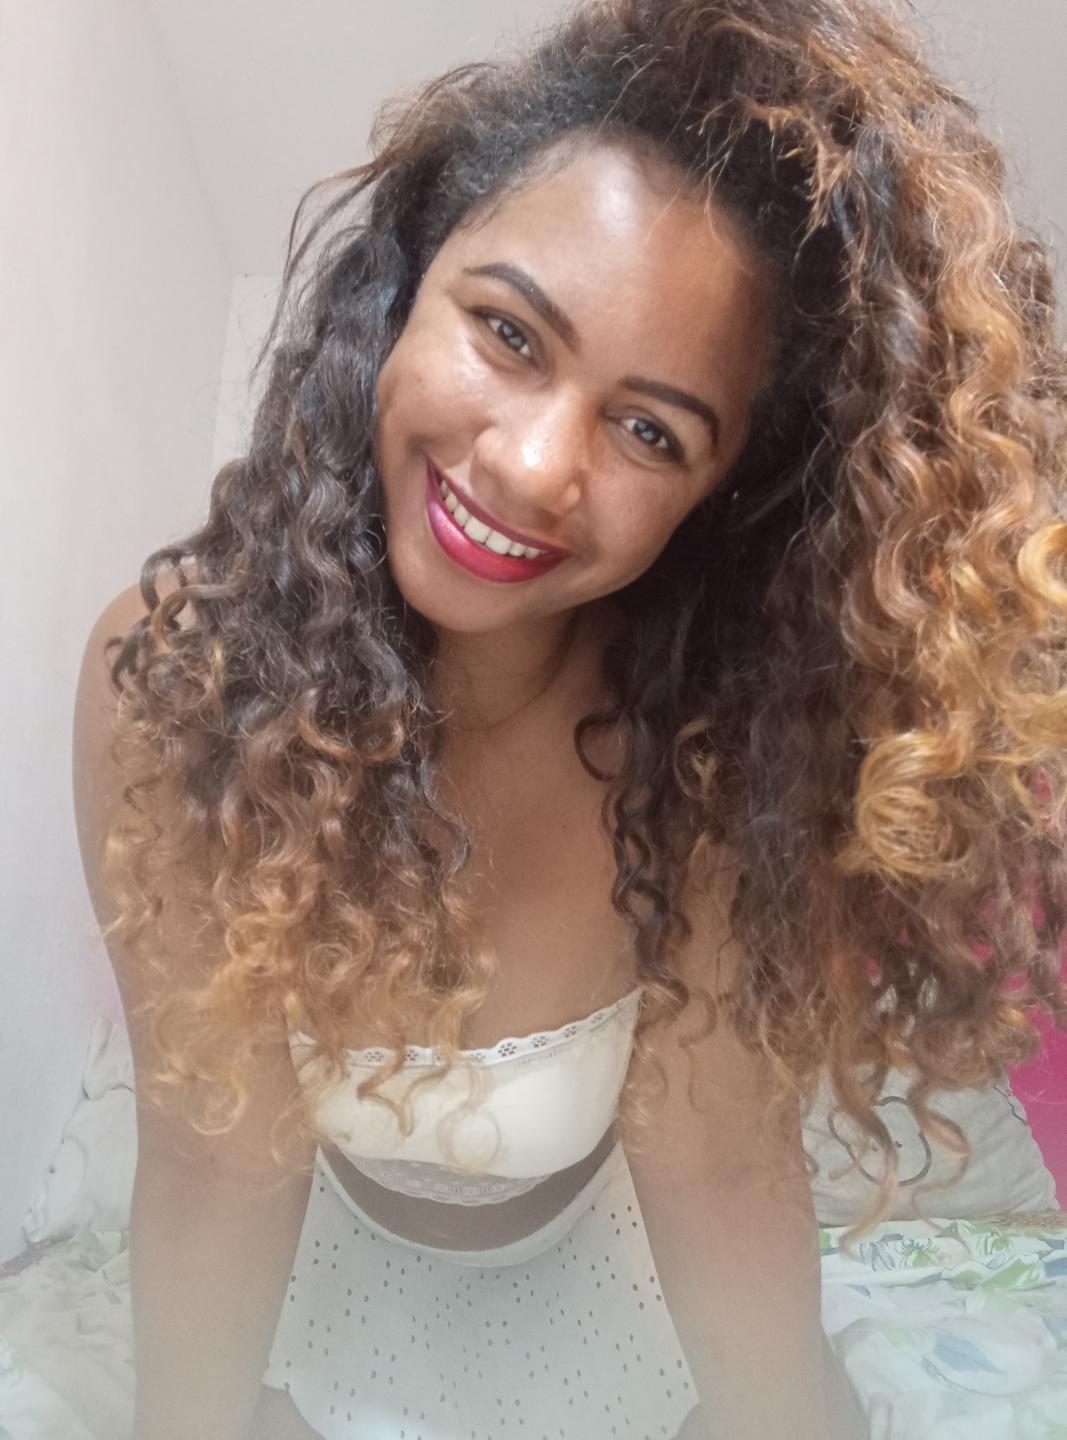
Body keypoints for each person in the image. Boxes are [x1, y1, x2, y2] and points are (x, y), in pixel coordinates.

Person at [71, 1, 1067, 1437]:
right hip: (314, 1269)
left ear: (718, 498)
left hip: (603, 1269)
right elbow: (213, 1157)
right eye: (509, 332)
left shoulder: (706, 750)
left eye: (651, 429)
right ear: (402, 290)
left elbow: (722, 1165)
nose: (536, 468)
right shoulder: (169, 682)